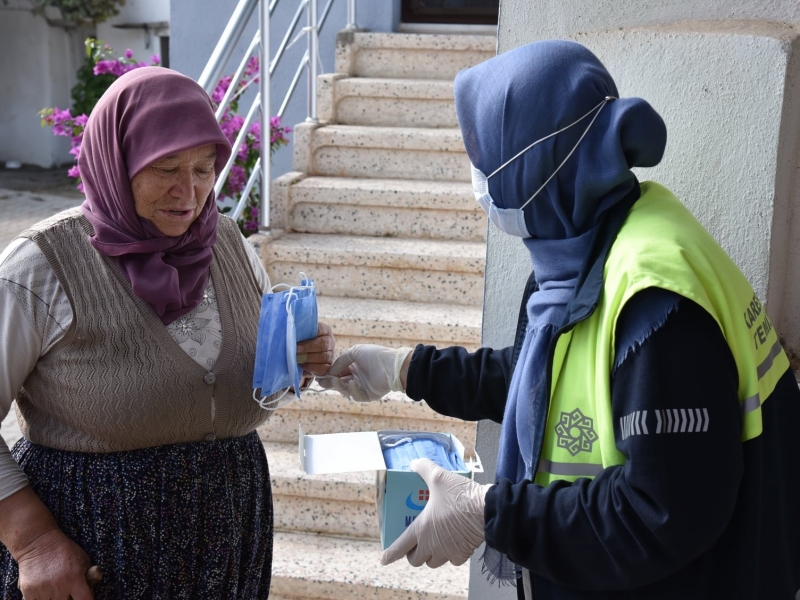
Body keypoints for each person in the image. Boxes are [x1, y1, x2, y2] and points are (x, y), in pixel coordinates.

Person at [323, 40, 800, 599]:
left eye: (488, 160)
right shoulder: (593, 240)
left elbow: (663, 509)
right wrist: (407, 370)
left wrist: (489, 510)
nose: (481, 182)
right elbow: (545, 377)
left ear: (537, 167)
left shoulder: (654, 304)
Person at [0, 67, 334, 599]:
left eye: (205, 168)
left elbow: (252, 376)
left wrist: (301, 356)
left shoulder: (228, 243)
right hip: (90, 554)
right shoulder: (42, 266)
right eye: (167, 168)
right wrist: (34, 542)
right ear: (117, 162)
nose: (190, 191)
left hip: (227, 542)